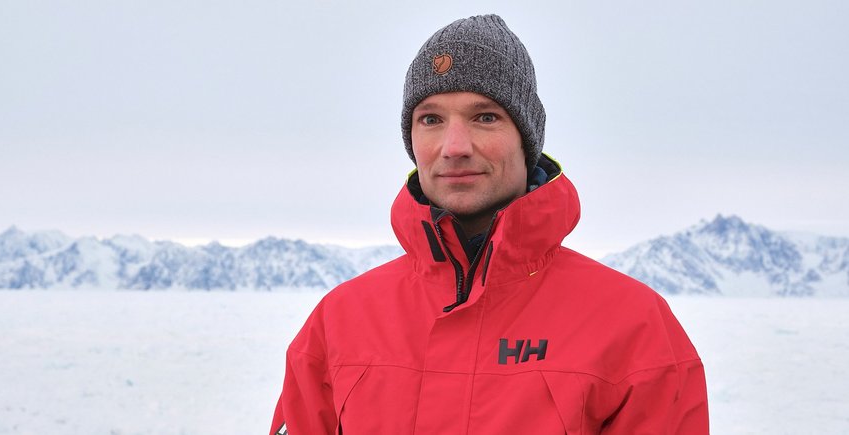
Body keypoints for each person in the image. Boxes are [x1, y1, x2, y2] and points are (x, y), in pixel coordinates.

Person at [272, 14, 708, 434]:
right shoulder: (340, 320)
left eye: (485, 117)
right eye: (431, 119)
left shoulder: (633, 326)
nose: (454, 146)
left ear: (526, 139)